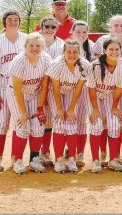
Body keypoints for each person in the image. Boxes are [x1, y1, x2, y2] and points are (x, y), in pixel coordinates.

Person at [0, 10, 27, 172]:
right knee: (2, 123)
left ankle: (16, 158)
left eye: (16, 19)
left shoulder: (25, 39)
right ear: (4, 22)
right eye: (10, 19)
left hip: (20, 86)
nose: (13, 22)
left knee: (19, 122)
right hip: (3, 83)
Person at [92, 15, 122, 163]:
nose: (118, 28)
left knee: (120, 119)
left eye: (121, 25)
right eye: (115, 25)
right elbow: (100, 60)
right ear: (110, 26)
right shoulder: (101, 41)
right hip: (102, 85)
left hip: (121, 85)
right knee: (102, 122)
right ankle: (103, 153)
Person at [6, 32, 52, 174]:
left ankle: (34, 159)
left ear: (42, 47)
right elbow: (17, 89)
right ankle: (17, 160)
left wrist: (40, 107)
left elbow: (44, 85)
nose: (34, 48)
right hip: (16, 94)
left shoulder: (46, 59)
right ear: (25, 46)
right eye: (31, 45)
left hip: (35, 94)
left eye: (38, 45)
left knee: (39, 125)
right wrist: (24, 112)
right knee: (23, 125)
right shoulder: (19, 61)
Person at [87, 37, 122, 173]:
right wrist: (95, 109)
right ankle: (96, 160)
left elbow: (118, 89)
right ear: (105, 51)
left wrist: (114, 106)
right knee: (96, 124)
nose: (114, 52)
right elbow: (91, 89)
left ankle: (113, 159)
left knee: (114, 123)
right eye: (111, 49)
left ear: (121, 50)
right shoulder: (94, 66)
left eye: (117, 49)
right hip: (94, 97)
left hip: (110, 96)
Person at [45, 40, 91, 173]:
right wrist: (59, 109)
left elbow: (78, 89)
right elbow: (55, 88)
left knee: (71, 123)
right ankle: (59, 160)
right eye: (68, 52)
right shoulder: (56, 64)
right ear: (63, 52)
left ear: (79, 53)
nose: (72, 54)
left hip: (72, 92)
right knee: (59, 122)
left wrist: (71, 109)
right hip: (56, 92)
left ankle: (71, 158)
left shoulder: (85, 65)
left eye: (75, 52)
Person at [67, 20, 95, 167]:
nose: (81, 34)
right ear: (72, 32)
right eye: (78, 31)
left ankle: (80, 154)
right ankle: (68, 149)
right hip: (68, 89)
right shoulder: (65, 47)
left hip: (85, 89)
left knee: (81, 122)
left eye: (84, 32)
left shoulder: (91, 47)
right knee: (68, 121)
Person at [38, 16, 65, 167]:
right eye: (46, 26)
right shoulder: (35, 41)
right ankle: (43, 151)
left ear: (57, 29)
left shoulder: (62, 45)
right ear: (41, 27)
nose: (49, 29)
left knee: (57, 120)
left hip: (56, 87)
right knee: (42, 120)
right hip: (38, 86)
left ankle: (58, 152)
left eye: (53, 27)